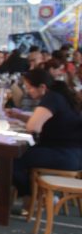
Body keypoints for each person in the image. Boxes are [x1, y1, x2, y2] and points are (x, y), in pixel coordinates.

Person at [11, 69, 82, 207]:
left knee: (13, 160)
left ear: (42, 87)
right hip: (75, 154)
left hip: (63, 155)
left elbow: (33, 127)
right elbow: (49, 120)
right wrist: (18, 116)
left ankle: (31, 197)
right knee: (22, 156)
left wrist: (27, 121)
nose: (28, 91)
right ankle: (38, 195)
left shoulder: (52, 98)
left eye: (30, 87)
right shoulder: (61, 96)